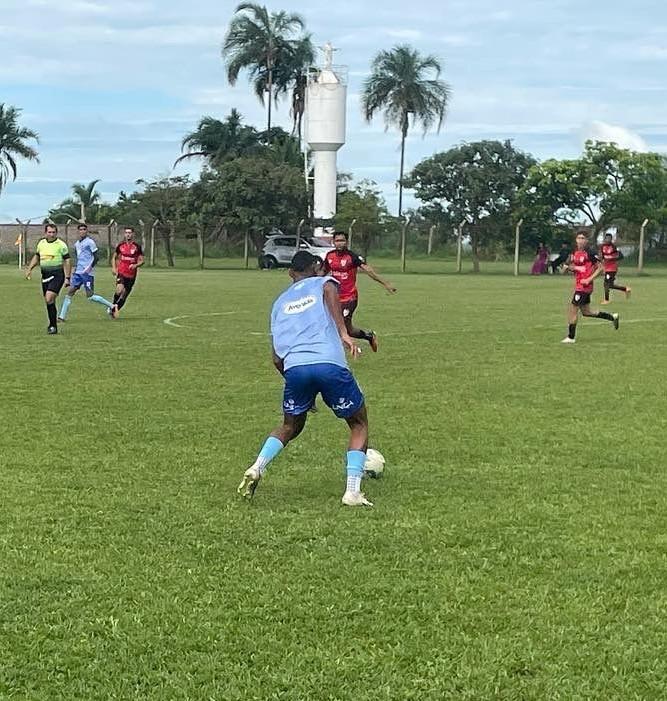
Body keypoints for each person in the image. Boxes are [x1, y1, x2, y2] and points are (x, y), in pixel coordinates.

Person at [238, 251, 374, 507]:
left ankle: (257, 466)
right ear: (318, 268)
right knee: (358, 423)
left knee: (290, 425)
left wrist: (297, 384)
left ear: (290, 273)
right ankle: (352, 492)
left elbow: (276, 357)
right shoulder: (324, 282)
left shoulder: (279, 303)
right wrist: (343, 332)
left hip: (295, 369)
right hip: (328, 363)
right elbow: (330, 291)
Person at [320, 231, 396, 352]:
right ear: (333, 242)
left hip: (349, 297)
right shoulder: (330, 256)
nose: (340, 243)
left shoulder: (352, 257)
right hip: (334, 297)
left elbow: (368, 270)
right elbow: (323, 272)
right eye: (337, 241)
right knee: (348, 330)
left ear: (346, 242)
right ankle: (369, 337)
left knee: (341, 324)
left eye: (342, 241)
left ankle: (342, 349)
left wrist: (385, 283)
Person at [561, 231, 619, 344]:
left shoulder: (590, 253)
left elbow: (601, 268)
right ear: (576, 240)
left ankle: (571, 337)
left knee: (573, 309)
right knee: (587, 312)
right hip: (578, 285)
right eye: (579, 238)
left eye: (583, 238)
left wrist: (589, 279)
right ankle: (612, 317)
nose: (580, 240)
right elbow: (572, 268)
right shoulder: (574, 253)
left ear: (587, 240)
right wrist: (566, 268)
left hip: (585, 287)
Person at [58, 223, 117, 321]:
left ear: (87, 231)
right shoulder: (77, 244)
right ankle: (61, 317)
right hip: (78, 272)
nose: (82, 231)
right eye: (80, 229)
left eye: (84, 229)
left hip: (87, 273)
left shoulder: (90, 242)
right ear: (78, 231)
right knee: (69, 293)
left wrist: (89, 268)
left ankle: (112, 306)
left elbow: (96, 257)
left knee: (90, 296)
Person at [24, 223, 72, 335]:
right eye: (49, 232)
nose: (51, 234)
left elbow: (68, 260)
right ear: (45, 233)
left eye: (53, 232)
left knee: (49, 298)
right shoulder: (41, 243)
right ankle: (52, 325)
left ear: (56, 233)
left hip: (57, 275)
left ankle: (53, 326)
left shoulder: (61, 245)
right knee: (49, 301)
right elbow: (37, 257)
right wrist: (29, 269)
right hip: (45, 276)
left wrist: (67, 277)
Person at [110, 226, 144, 316]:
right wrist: (113, 268)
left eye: (129, 233)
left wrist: (135, 265)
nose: (128, 234)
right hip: (121, 272)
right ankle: (112, 306)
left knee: (124, 294)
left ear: (133, 234)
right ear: (124, 234)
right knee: (119, 290)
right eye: (126, 233)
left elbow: (142, 260)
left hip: (131, 275)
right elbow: (114, 257)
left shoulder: (137, 247)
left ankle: (115, 310)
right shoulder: (120, 246)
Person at [600, 233, 631, 304]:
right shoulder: (603, 246)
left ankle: (606, 300)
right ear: (605, 239)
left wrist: (613, 258)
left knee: (606, 284)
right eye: (606, 238)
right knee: (610, 285)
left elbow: (621, 256)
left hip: (612, 268)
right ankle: (625, 289)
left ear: (611, 239)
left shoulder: (613, 247)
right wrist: (601, 261)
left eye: (609, 238)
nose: (608, 240)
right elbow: (603, 256)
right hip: (607, 268)